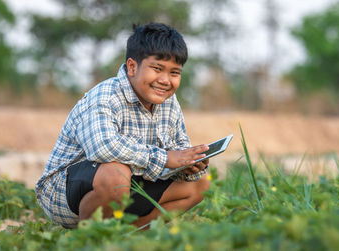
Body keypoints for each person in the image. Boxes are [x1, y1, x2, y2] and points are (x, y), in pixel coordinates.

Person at [35, 22, 210, 229]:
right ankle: (91, 239)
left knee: (200, 185)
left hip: (126, 187)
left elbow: (178, 149)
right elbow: (103, 148)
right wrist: (166, 158)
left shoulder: (169, 103)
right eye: (157, 69)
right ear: (132, 67)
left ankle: (127, 237)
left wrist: (189, 164)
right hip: (64, 195)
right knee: (116, 172)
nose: (165, 80)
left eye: (174, 73)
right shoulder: (105, 95)